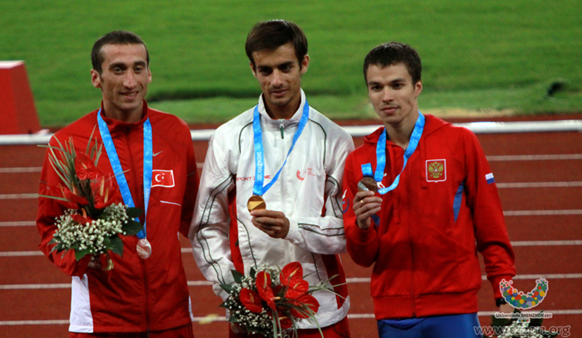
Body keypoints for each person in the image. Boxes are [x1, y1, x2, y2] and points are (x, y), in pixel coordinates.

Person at [189, 20, 354, 337]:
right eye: (266, 70)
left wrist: (293, 228)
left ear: (304, 63)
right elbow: (205, 226)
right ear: (253, 69)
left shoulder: (333, 139)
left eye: (285, 67)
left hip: (319, 312)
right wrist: (235, 291)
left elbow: (346, 231)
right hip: (252, 313)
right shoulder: (229, 139)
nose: (276, 80)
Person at [342, 42, 516, 338]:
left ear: (417, 86)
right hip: (393, 313)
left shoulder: (458, 143)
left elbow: (491, 226)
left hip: (455, 308)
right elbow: (363, 256)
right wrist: (361, 226)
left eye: (397, 85)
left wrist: (505, 294)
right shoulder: (359, 161)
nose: (386, 97)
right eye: (376, 87)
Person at [36, 30, 198, 337]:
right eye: (118, 69)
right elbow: (50, 226)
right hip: (103, 320)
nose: (130, 82)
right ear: (96, 77)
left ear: (149, 73)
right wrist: (81, 256)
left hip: (171, 316)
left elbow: (195, 215)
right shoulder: (67, 144)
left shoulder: (175, 133)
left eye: (138, 68)